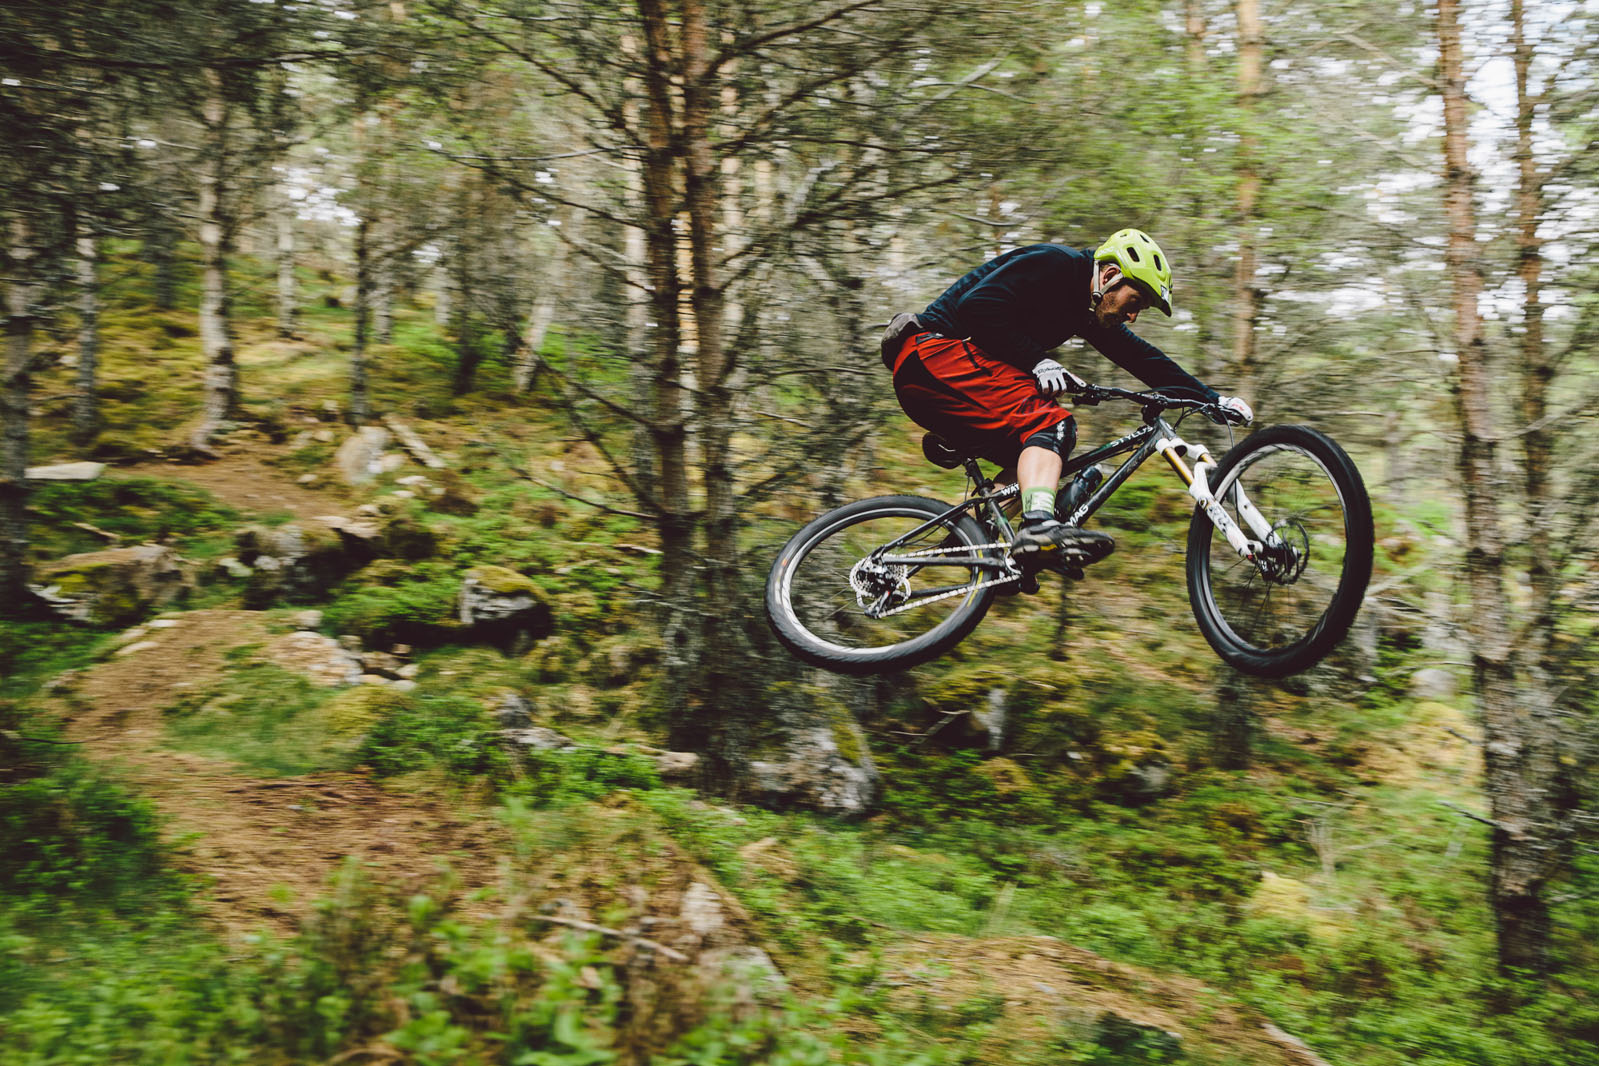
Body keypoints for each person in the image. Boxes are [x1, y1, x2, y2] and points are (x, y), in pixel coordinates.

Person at [880, 228, 1252, 565]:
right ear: (1109, 276)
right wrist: (1038, 361)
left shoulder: (1085, 311)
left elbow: (1142, 358)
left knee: (1036, 456)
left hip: (933, 376)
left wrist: (1212, 400)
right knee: (1052, 425)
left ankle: (973, 545)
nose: (1134, 316)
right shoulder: (1056, 266)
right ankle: (1038, 527)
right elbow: (977, 306)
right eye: (1135, 301)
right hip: (934, 353)